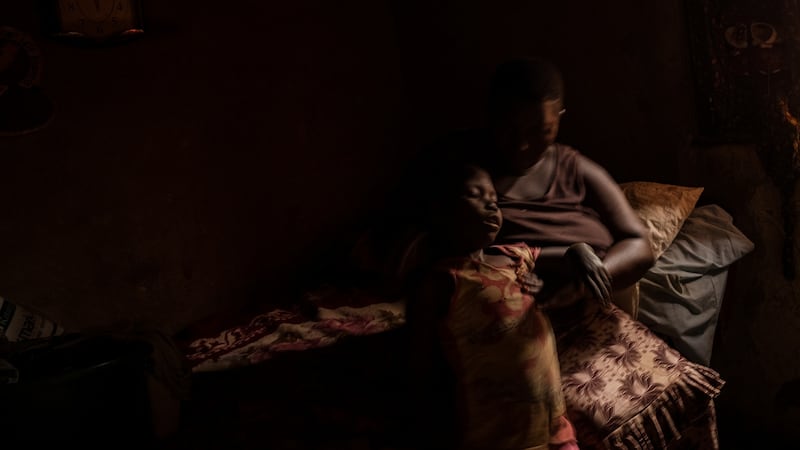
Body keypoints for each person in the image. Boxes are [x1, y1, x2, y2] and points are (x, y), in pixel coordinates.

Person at [406, 161, 601, 450]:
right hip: (498, 437)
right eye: (476, 195)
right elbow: (418, 369)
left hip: (556, 429)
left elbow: (563, 257)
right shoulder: (444, 280)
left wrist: (579, 249)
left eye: (495, 200)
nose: (491, 205)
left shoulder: (514, 255)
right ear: (442, 211)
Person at [444, 57, 655, 308]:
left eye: (539, 131)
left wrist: (585, 285)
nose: (521, 145)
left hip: (588, 303)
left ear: (559, 117)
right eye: (509, 128)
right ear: (492, 114)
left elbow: (640, 245)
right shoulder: (465, 173)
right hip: (504, 311)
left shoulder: (574, 167)